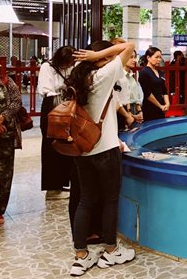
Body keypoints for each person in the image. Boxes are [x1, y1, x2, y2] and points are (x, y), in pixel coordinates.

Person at [66, 41, 136, 276]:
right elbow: (129, 46)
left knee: (86, 201)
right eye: (104, 56)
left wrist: (93, 56)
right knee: (110, 201)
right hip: (105, 150)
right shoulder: (103, 75)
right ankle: (111, 250)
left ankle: (81, 256)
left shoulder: (78, 77)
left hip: (82, 151)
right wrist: (101, 54)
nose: (108, 59)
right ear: (97, 58)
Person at [37, 46, 75, 200]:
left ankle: (63, 183)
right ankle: (52, 187)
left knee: (66, 144)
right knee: (51, 145)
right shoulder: (47, 67)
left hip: (65, 107)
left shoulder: (72, 67)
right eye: (66, 63)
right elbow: (47, 90)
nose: (68, 66)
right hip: (52, 107)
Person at [0, 58, 22, 227]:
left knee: (4, 173)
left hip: (6, 135)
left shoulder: (7, 81)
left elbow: (16, 102)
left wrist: (1, 118)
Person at [138, 47, 169, 121]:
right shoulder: (144, 72)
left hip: (161, 108)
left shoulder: (160, 72)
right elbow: (147, 93)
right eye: (156, 57)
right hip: (149, 107)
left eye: (160, 57)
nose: (159, 60)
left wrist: (167, 104)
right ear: (148, 57)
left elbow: (164, 90)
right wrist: (160, 106)